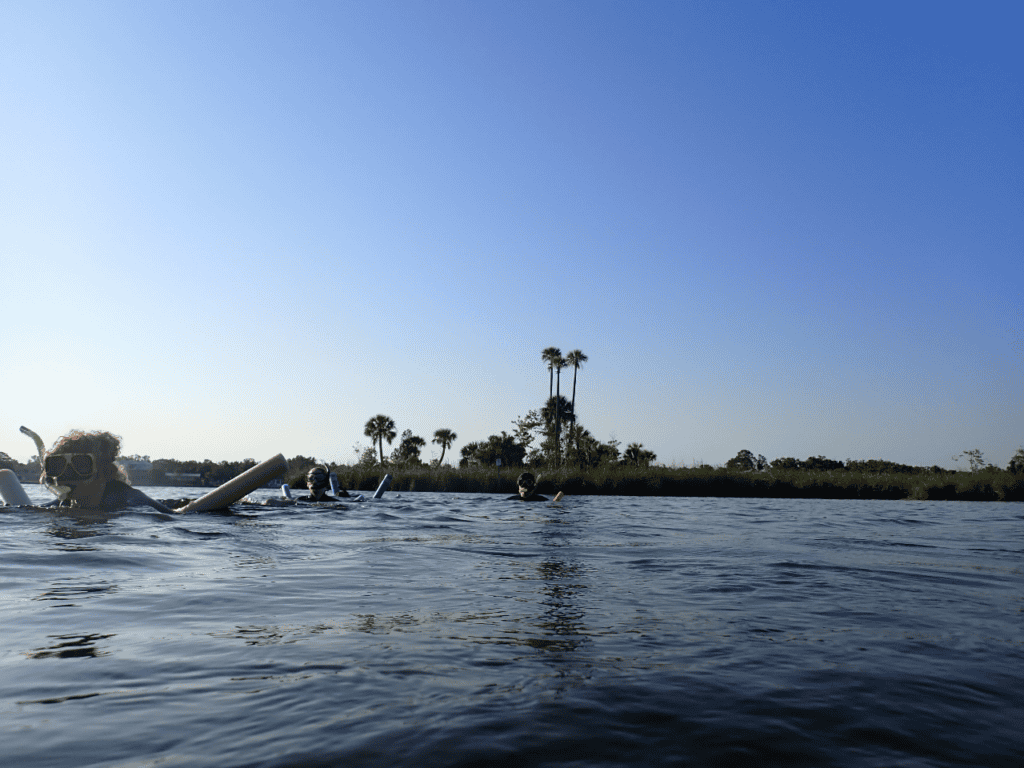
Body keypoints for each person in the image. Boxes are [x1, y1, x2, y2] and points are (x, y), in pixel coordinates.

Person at [39, 430, 175, 513]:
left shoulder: (131, 501)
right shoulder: (67, 502)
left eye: (81, 465)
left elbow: (175, 517)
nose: (67, 475)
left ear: (106, 473)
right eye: (58, 466)